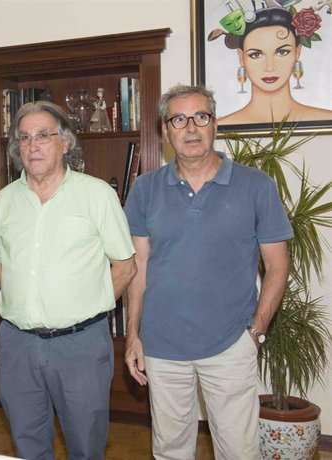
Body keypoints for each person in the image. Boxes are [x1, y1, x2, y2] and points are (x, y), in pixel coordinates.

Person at [123, 84, 293, 459]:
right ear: (165, 131)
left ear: (215, 125)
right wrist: (133, 334)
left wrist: (257, 332)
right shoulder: (144, 190)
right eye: (178, 119)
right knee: (170, 450)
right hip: (162, 347)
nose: (191, 128)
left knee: (238, 450)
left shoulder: (255, 186)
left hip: (231, 345)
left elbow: (278, 266)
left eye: (201, 117)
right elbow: (138, 266)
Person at [0, 100, 137, 460]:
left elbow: (125, 266)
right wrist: (34, 303)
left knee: (85, 444)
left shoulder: (97, 195)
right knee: (28, 443)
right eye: (24, 137)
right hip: (19, 346)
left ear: (65, 143)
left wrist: (85, 307)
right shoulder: (2, 202)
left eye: (43, 136)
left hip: (80, 346)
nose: (32, 145)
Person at [213, 6, 332, 124]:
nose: (270, 67)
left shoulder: (327, 118)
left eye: (282, 52)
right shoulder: (220, 125)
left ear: (297, 52)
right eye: (255, 55)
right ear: (241, 57)